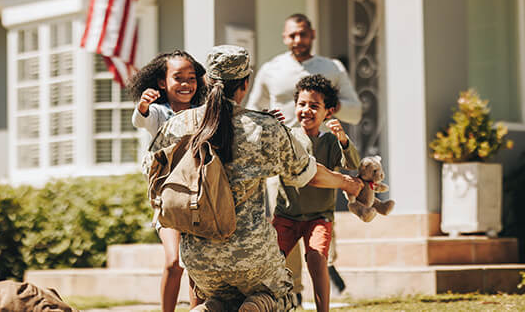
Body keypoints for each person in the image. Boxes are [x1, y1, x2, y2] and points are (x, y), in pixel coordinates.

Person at [146, 45, 363, 311]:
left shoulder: (177, 124)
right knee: (282, 295)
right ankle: (258, 305)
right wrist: (347, 183)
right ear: (245, 84)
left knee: (219, 300)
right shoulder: (263, 127)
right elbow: (308, 173)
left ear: (208, 81)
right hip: (253, 257)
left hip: (200, 260)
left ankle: (209, 308)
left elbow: (153, 174)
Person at [246, 13, 362, 302]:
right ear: (284, 38)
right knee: (284, 226)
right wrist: (272, 123)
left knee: (316, 236)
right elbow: (252, 110)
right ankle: (293, 293)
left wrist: (320, 106)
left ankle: (319, 282)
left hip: (319, 154)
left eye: (302, 34)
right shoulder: (271, 69)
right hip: (283, 155)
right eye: (291, 35)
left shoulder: (331, 67)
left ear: (312, 34)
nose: (297, 40)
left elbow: (356, 110)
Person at [272, 75, 360, 312]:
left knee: (317, 259)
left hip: (319, 217)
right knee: (273, 263)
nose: (306, 110)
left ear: (328, 112)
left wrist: (343, 139)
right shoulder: (288, 136)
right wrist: (271, 125)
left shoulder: (331, 142)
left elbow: (353, 164)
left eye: (314, 105)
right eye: (301, 104)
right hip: (286, 215)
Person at [129, 50, 207, 312]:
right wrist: (142, 105)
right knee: (174, 262)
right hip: (167, 200)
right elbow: (142, 119)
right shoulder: (160, 114)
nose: (186, 84)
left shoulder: (204, 113)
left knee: (196, 266)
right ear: (162, 82)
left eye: (191, 78)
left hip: (198, 198)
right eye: (178, 78)